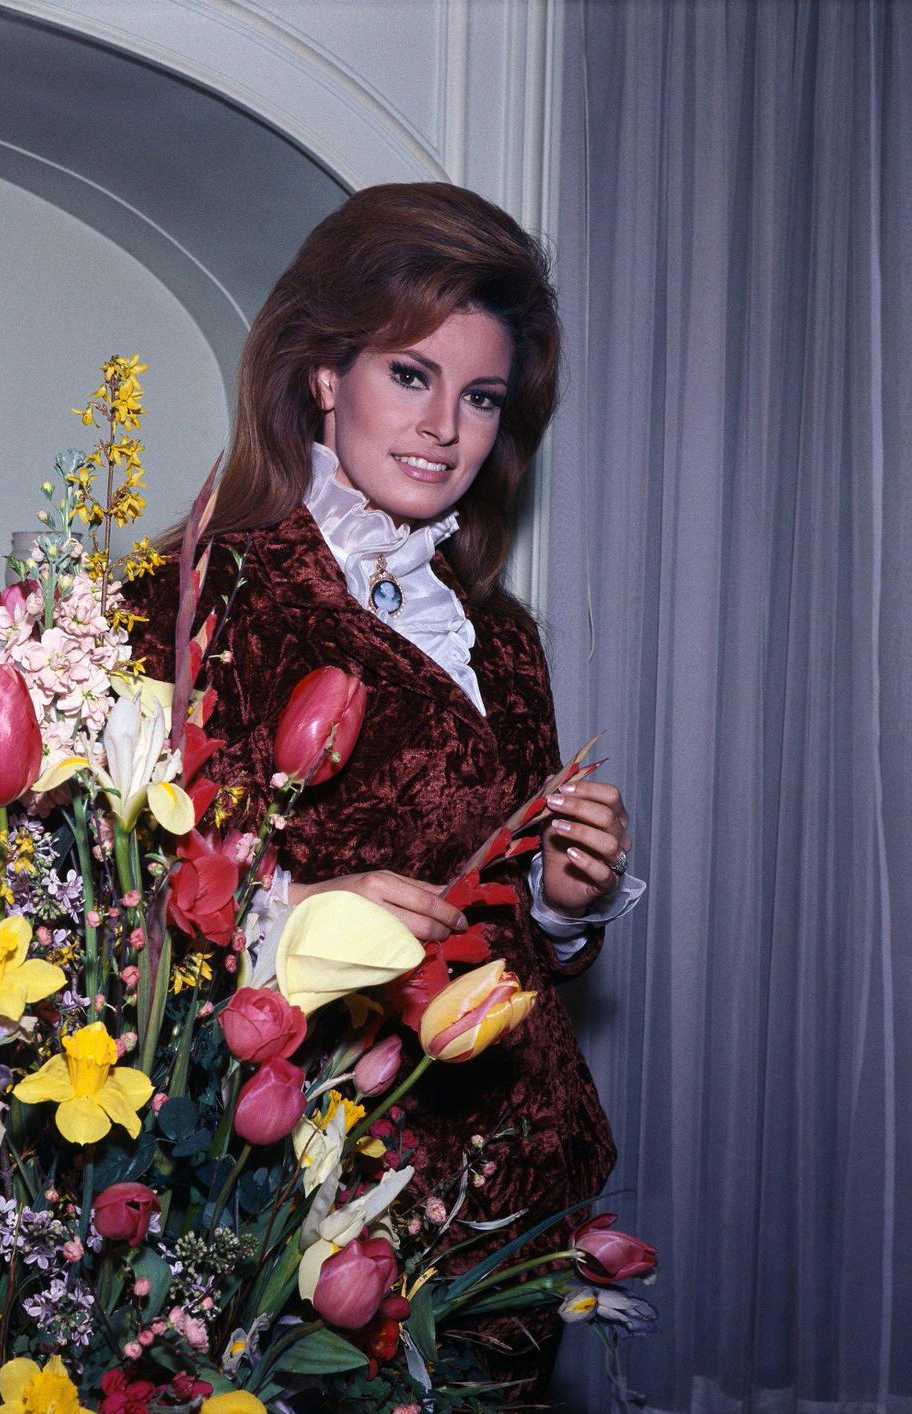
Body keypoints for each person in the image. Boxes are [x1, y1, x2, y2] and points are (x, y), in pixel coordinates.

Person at [130, 182, 643, 1394]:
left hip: (522, 1217)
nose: (445, 429)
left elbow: (520, 935)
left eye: (478, 396)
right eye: (410, 375)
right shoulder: (198, 596)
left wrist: (570, 898)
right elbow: (115, 922)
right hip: (311, 1228)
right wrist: (309, 908)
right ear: (322, 372)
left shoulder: (499, 632)